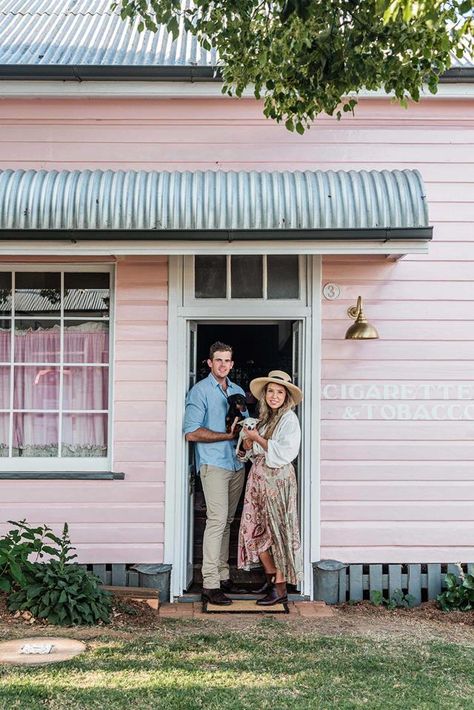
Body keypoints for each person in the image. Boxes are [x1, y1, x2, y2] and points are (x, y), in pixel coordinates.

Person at [183, 341, 247, 606]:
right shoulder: (200, 392)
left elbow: (243, 427)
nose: (223, 365)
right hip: (214, 465)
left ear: (232, 364)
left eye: (227, 360)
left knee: (228, 521)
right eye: (218, 360)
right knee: (217, 520)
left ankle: (222, 575)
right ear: (209, 363)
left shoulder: (238, 391)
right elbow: (191, 432)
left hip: (236, 464)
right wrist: (226, 436)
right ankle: (209, 583)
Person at [238, 370, 303, 606]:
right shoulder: (263, 420)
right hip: (258, 480)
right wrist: (247, 442)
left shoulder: (289, 420)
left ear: (286, 397)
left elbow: (284, 452)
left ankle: (280, 586)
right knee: (253, 529)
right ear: (265, 395)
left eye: (279, 392)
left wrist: (257, 439)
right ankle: (271, 575)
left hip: (278, 481)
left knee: (277, 531)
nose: (274, 396)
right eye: (270, 392)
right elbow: (247, 454)